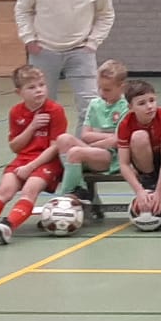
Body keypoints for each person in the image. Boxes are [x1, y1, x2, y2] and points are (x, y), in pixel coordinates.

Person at [0, 66, 66, 245]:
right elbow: (15, 146)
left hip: (47, 161)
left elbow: (55, 148)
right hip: (22, 159)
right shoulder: (16, 112)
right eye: (31, 87)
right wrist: (31, 126)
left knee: (29, 190)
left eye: (41, 85)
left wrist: (31, 167)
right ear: (19, 92)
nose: (38, 90)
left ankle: (8, 225)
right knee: (4, 190)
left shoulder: (55, 110)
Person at [15, 0, 115, 116]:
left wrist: (93, 43)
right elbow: (23, 10)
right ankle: (46, 145)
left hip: (81, 51)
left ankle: (82, 145)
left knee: (91, 107)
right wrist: (29, 39)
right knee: (41, 107)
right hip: (43, 50)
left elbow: (106, 14)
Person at [56, 58, 131, 217]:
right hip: (94, 151)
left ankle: (64, 199)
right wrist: (105, 138)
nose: (102, 93)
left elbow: (117, 140)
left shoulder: (126, 107)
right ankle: (81, 189)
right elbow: (85, 135)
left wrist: (94, 143)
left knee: (76, 152)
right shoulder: (95, 104)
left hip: (113, 157)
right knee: (63, 139)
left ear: (121, 87)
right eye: (99, 88)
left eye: (107, 89)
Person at [115, 79, 161, 231]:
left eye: (152, 100)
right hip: (142, 162)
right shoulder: (126, 124)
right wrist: (139, 191)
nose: (149, 106)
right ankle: (148, 181)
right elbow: (123, 164)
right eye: (141, 103)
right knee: (139, 136)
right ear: (131, 107)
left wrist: (160, 192)